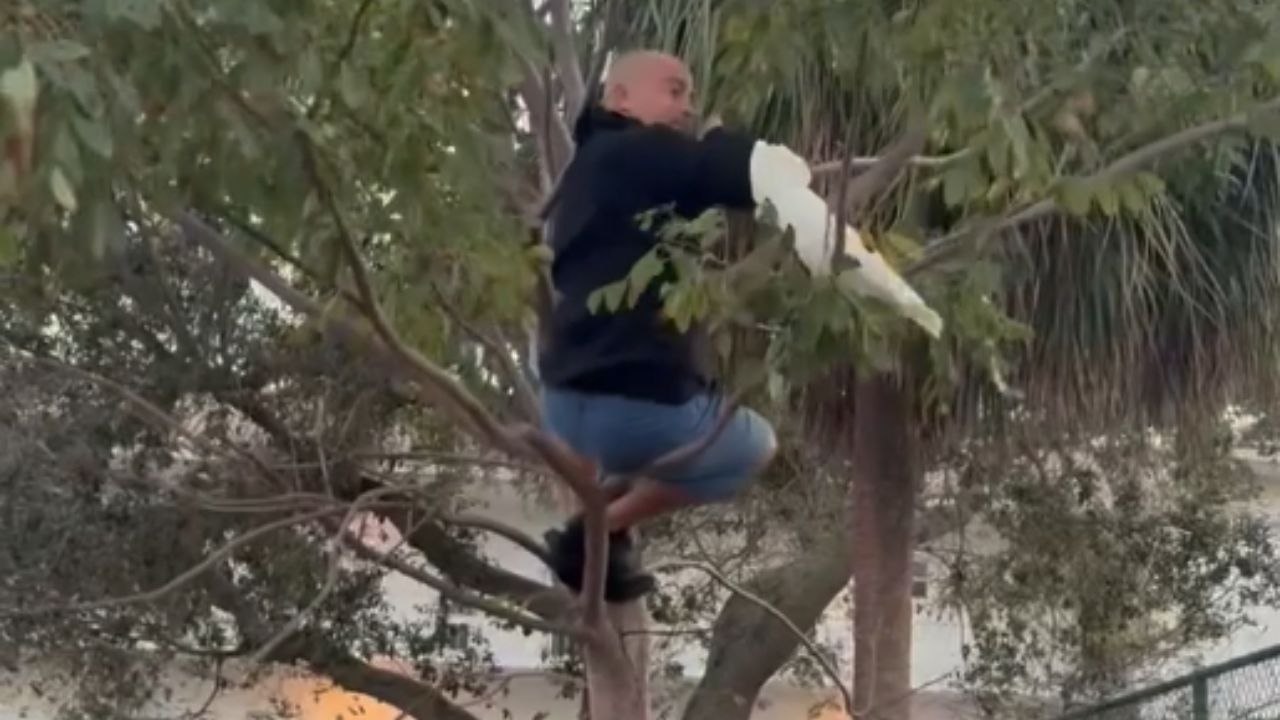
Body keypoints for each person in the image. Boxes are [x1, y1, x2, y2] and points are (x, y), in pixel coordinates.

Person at [537, 50, 779, 603]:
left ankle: (600, 539)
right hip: (635, 411)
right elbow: (738, 176)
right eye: (675, 91)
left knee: (628, 457)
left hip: (562, 406)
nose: (687, 108)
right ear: (619, 98)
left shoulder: (588, 169)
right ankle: (597, 530)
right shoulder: (637, 150)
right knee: (755, 448)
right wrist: (721, 139)